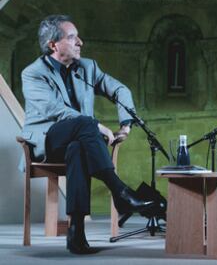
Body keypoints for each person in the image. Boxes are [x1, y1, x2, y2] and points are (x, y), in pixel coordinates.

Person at [20, 15, 156, 254]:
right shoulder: (32, 73)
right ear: (53, 44)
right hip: (47, 140)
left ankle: (76, 236)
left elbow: (120, 90)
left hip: (78, 141)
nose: (80, 42)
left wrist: (125, 124)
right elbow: (55, 110)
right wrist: (94, 125)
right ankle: (120, 191)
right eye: (72, 37)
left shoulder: (88, 67)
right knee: (84, 126)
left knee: (78, 150)